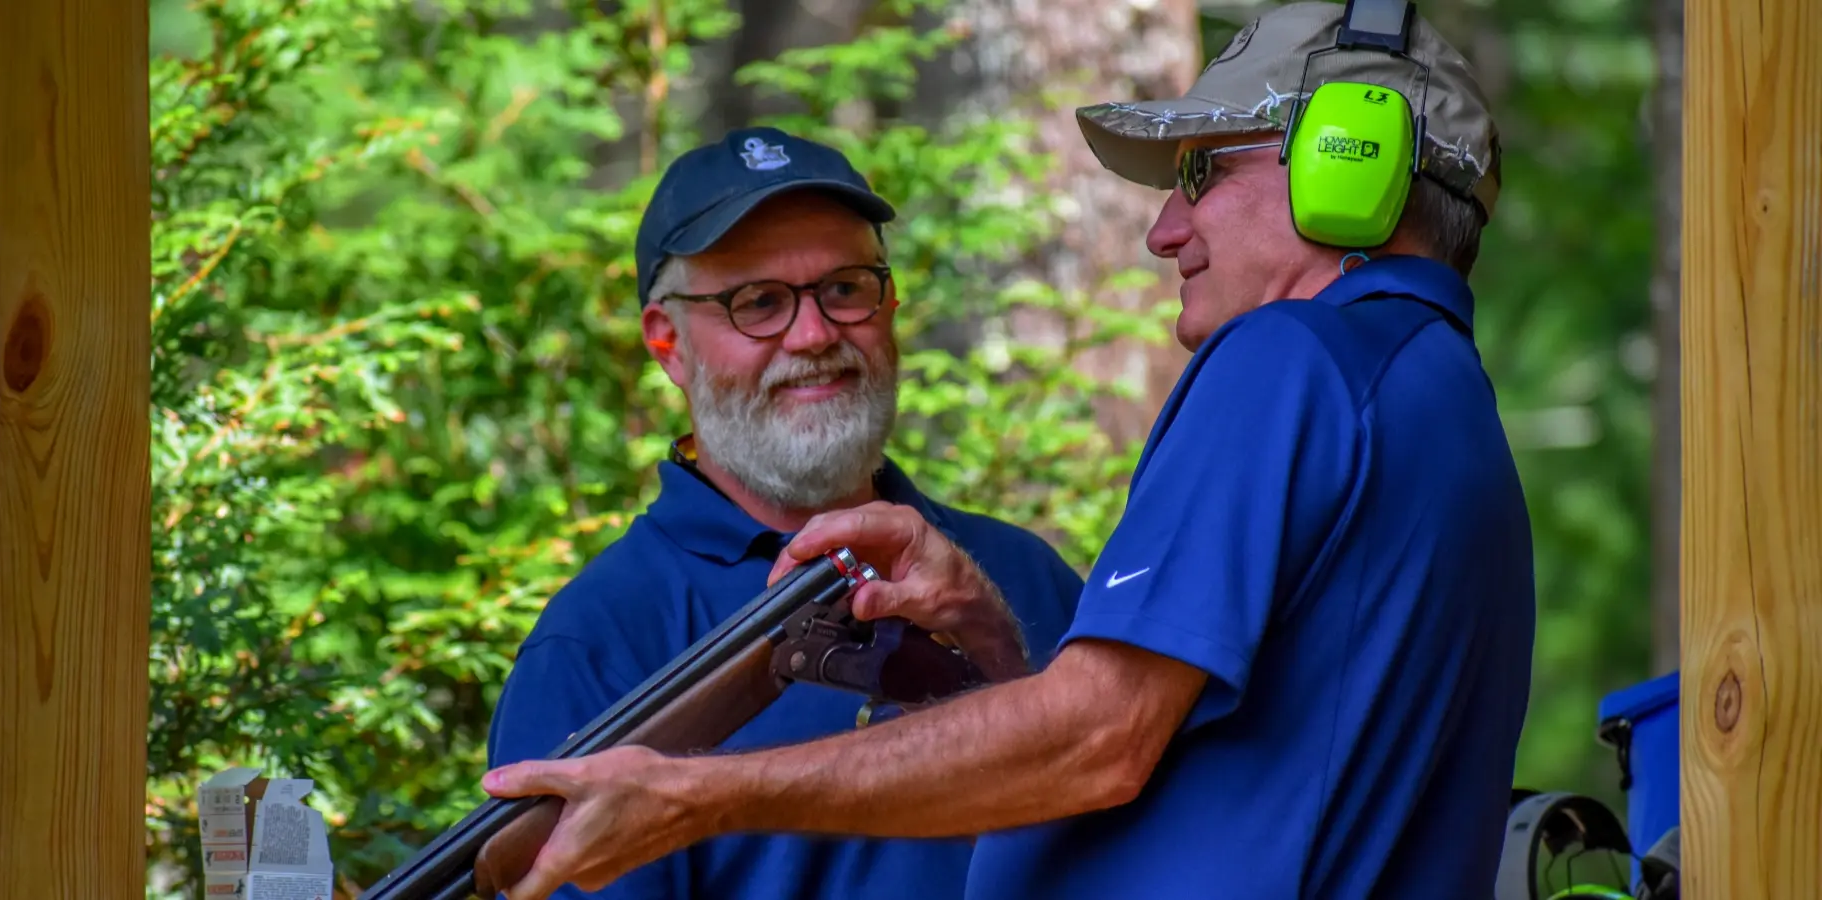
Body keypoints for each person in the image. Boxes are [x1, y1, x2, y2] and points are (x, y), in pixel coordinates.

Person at [480, 2, 1538, 898]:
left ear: (1349, 157)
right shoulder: (1438, 393)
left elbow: (1098, 743)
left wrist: (696, 795)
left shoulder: (1288, 357)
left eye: (1202, 172)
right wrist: (992, 650)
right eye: (758, 302)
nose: (1162, 230)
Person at [483, 125, 1086, 900]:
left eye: (844, 289)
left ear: (890, 300)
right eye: (757, 303)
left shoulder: (1017, 571)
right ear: (668, 344)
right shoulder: (600, 642)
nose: (814, 335)